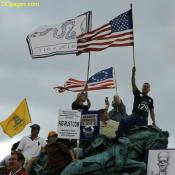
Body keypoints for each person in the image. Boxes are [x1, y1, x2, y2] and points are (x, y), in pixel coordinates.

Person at [116, 66, 156, 138]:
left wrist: (154, 121)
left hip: (144, 120)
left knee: (142, 136)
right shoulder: (138, 94)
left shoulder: (150, 99)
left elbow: (152, 111)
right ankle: (120, 139)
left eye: (147, 87)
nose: (145, 88)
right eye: (144, 86)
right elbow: (133, 83)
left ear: (149, 89)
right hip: (135, 116)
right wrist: (133, 73)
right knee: (123, 121)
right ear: (142, 87)